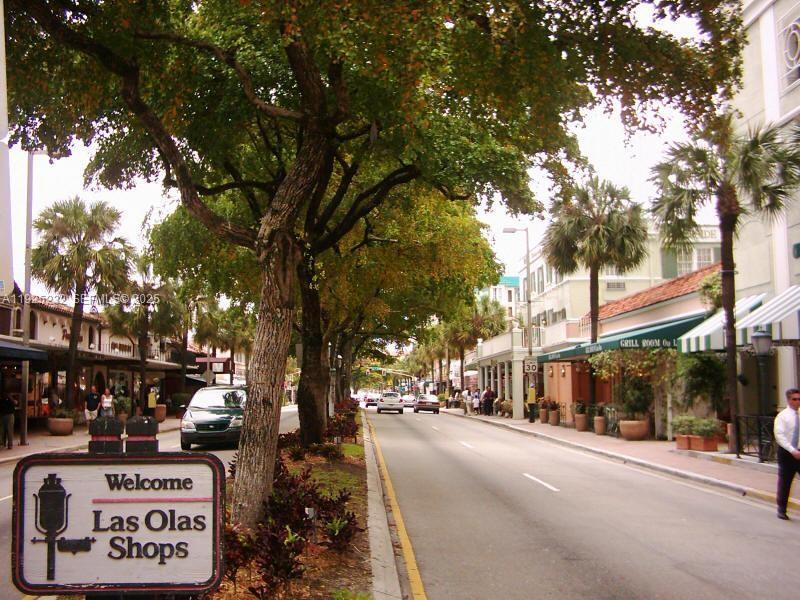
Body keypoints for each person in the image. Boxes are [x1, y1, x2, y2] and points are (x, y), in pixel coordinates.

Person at [774, 388, 800, 520]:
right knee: (785, 482)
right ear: (788, 400)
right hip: (787, 453)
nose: (797, 402)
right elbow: (780, 436)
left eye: (799, 399)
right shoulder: (783, 416)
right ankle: (781, 509)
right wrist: (792, 450)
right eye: (794, 399)